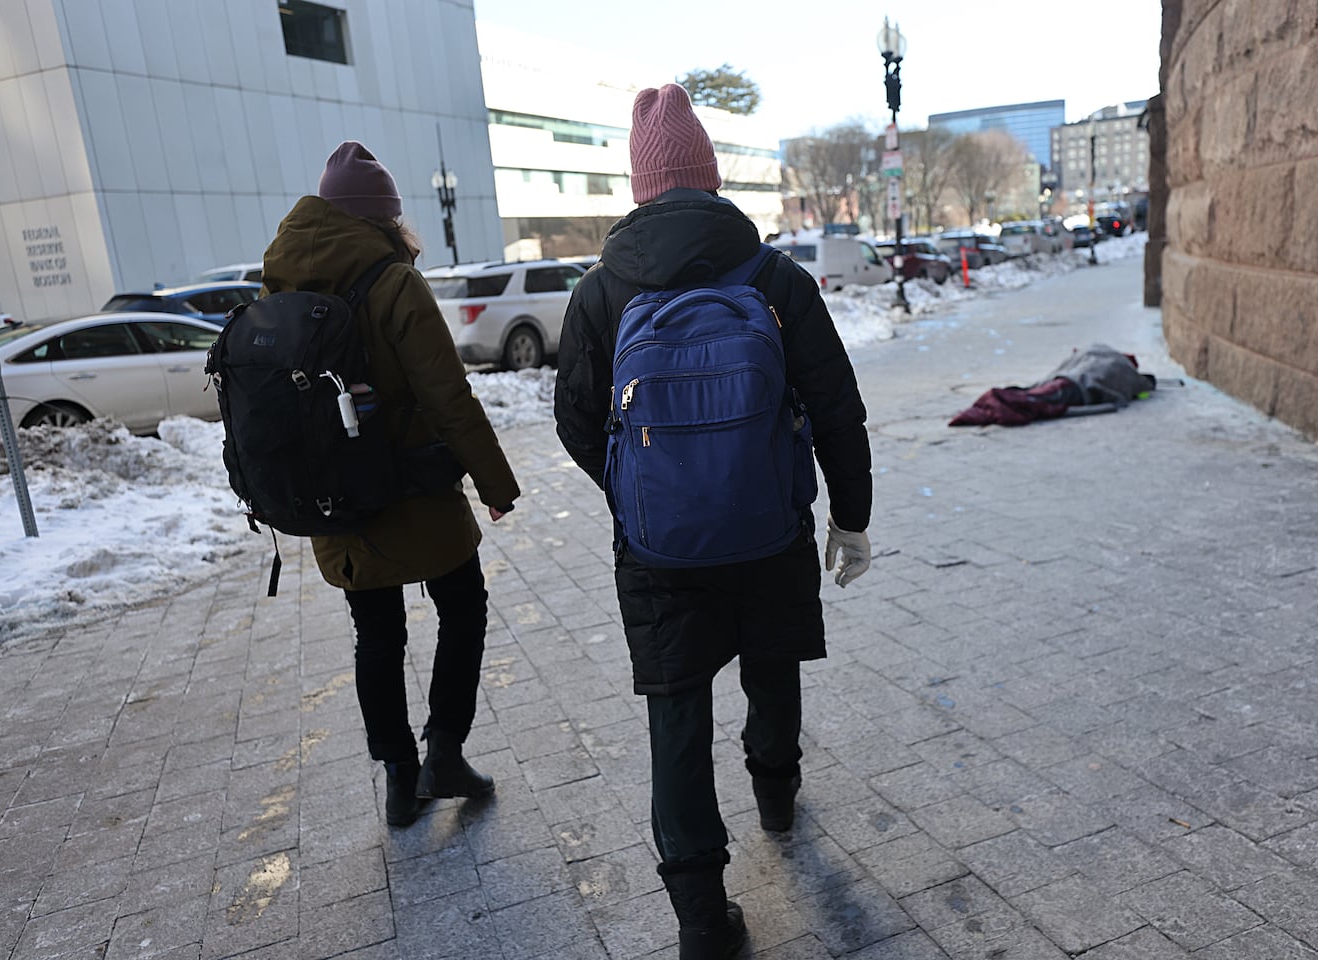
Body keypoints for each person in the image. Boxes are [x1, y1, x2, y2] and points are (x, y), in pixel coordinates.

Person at [553, 85, 873, 959]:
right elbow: (838, 410)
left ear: (640, 186)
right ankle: (776, 793)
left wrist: (639, 490)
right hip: (769, 528)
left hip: (658, 550)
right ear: (710, 180)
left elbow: (576, 419)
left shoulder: (599, 293)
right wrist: (851, 517)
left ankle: (701, 919)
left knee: (676, 714)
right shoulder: (774, 279)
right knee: (771, 668)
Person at [261, 141, 521, 827]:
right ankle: (445, 751)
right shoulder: (393, 280)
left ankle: (400, 778)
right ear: (384, 216)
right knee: (462, 603)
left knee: (374, 634)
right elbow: (448, 396)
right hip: (416, 487)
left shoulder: (280, 282)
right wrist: (496, 482)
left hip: (333, 494)